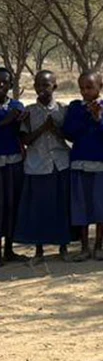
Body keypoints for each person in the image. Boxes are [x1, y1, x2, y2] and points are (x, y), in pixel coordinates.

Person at [15, 70, 71, 264]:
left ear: (54, 86)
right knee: (39, 208)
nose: (42, 89)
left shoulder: (63, 110)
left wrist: (55, 129)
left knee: (61, 207)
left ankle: (63, 247)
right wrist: (42, 129)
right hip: (37, 165)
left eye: (46, 85)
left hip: (60, 164)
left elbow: (70, 136)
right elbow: (24, 139)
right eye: (38, 85)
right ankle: (39, 251)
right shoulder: (29, 112)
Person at [63, 71, 103, 262]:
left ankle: (99, 247)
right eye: (82, 88)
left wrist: (99, 119)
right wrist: (87, 117)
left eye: (89, 87)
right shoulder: (75, 108)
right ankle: (84, 247)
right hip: (79, 163)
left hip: (101, 163)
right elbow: (69, 133)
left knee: (100, 207)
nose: (85, 92)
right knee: (82, 206)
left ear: (100, 87)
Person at [0, 67, 26, 264]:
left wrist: (22, 121)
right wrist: (6, 121)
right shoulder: (10, 112)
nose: (1, 85)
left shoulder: (17, 105)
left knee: (12, 205)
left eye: (5, 82)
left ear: (10, 85)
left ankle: (9, 250)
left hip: (14, 162)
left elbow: (23, 134)